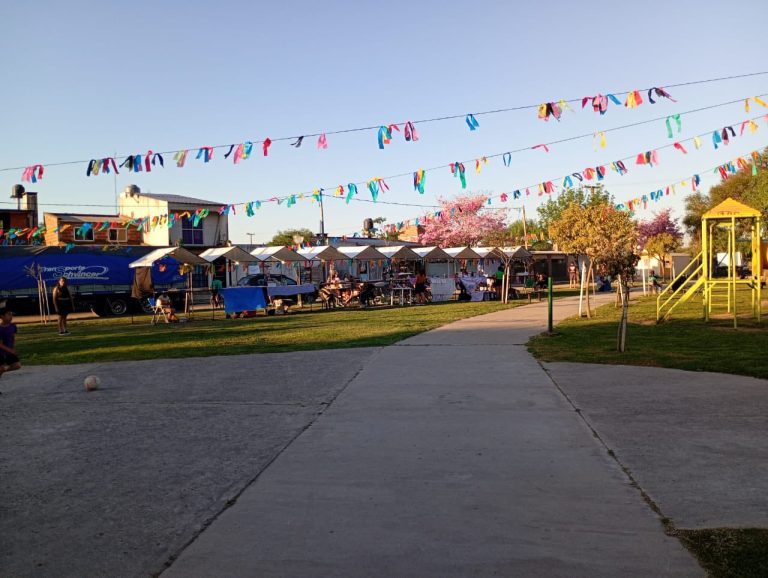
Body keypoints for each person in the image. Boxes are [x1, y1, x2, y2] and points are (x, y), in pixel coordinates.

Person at [0, 307, 21, 385]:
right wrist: (11, 350)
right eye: (8, 314)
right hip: (1, 352)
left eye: (11, 314)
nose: (11, 316)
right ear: (2, 316)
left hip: (9, 351)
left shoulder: (13, 326)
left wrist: (13, 348)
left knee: (17, 365)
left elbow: (12, 337)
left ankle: (2, 370)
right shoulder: (0, 329)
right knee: (1, 368)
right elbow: (0, 344)